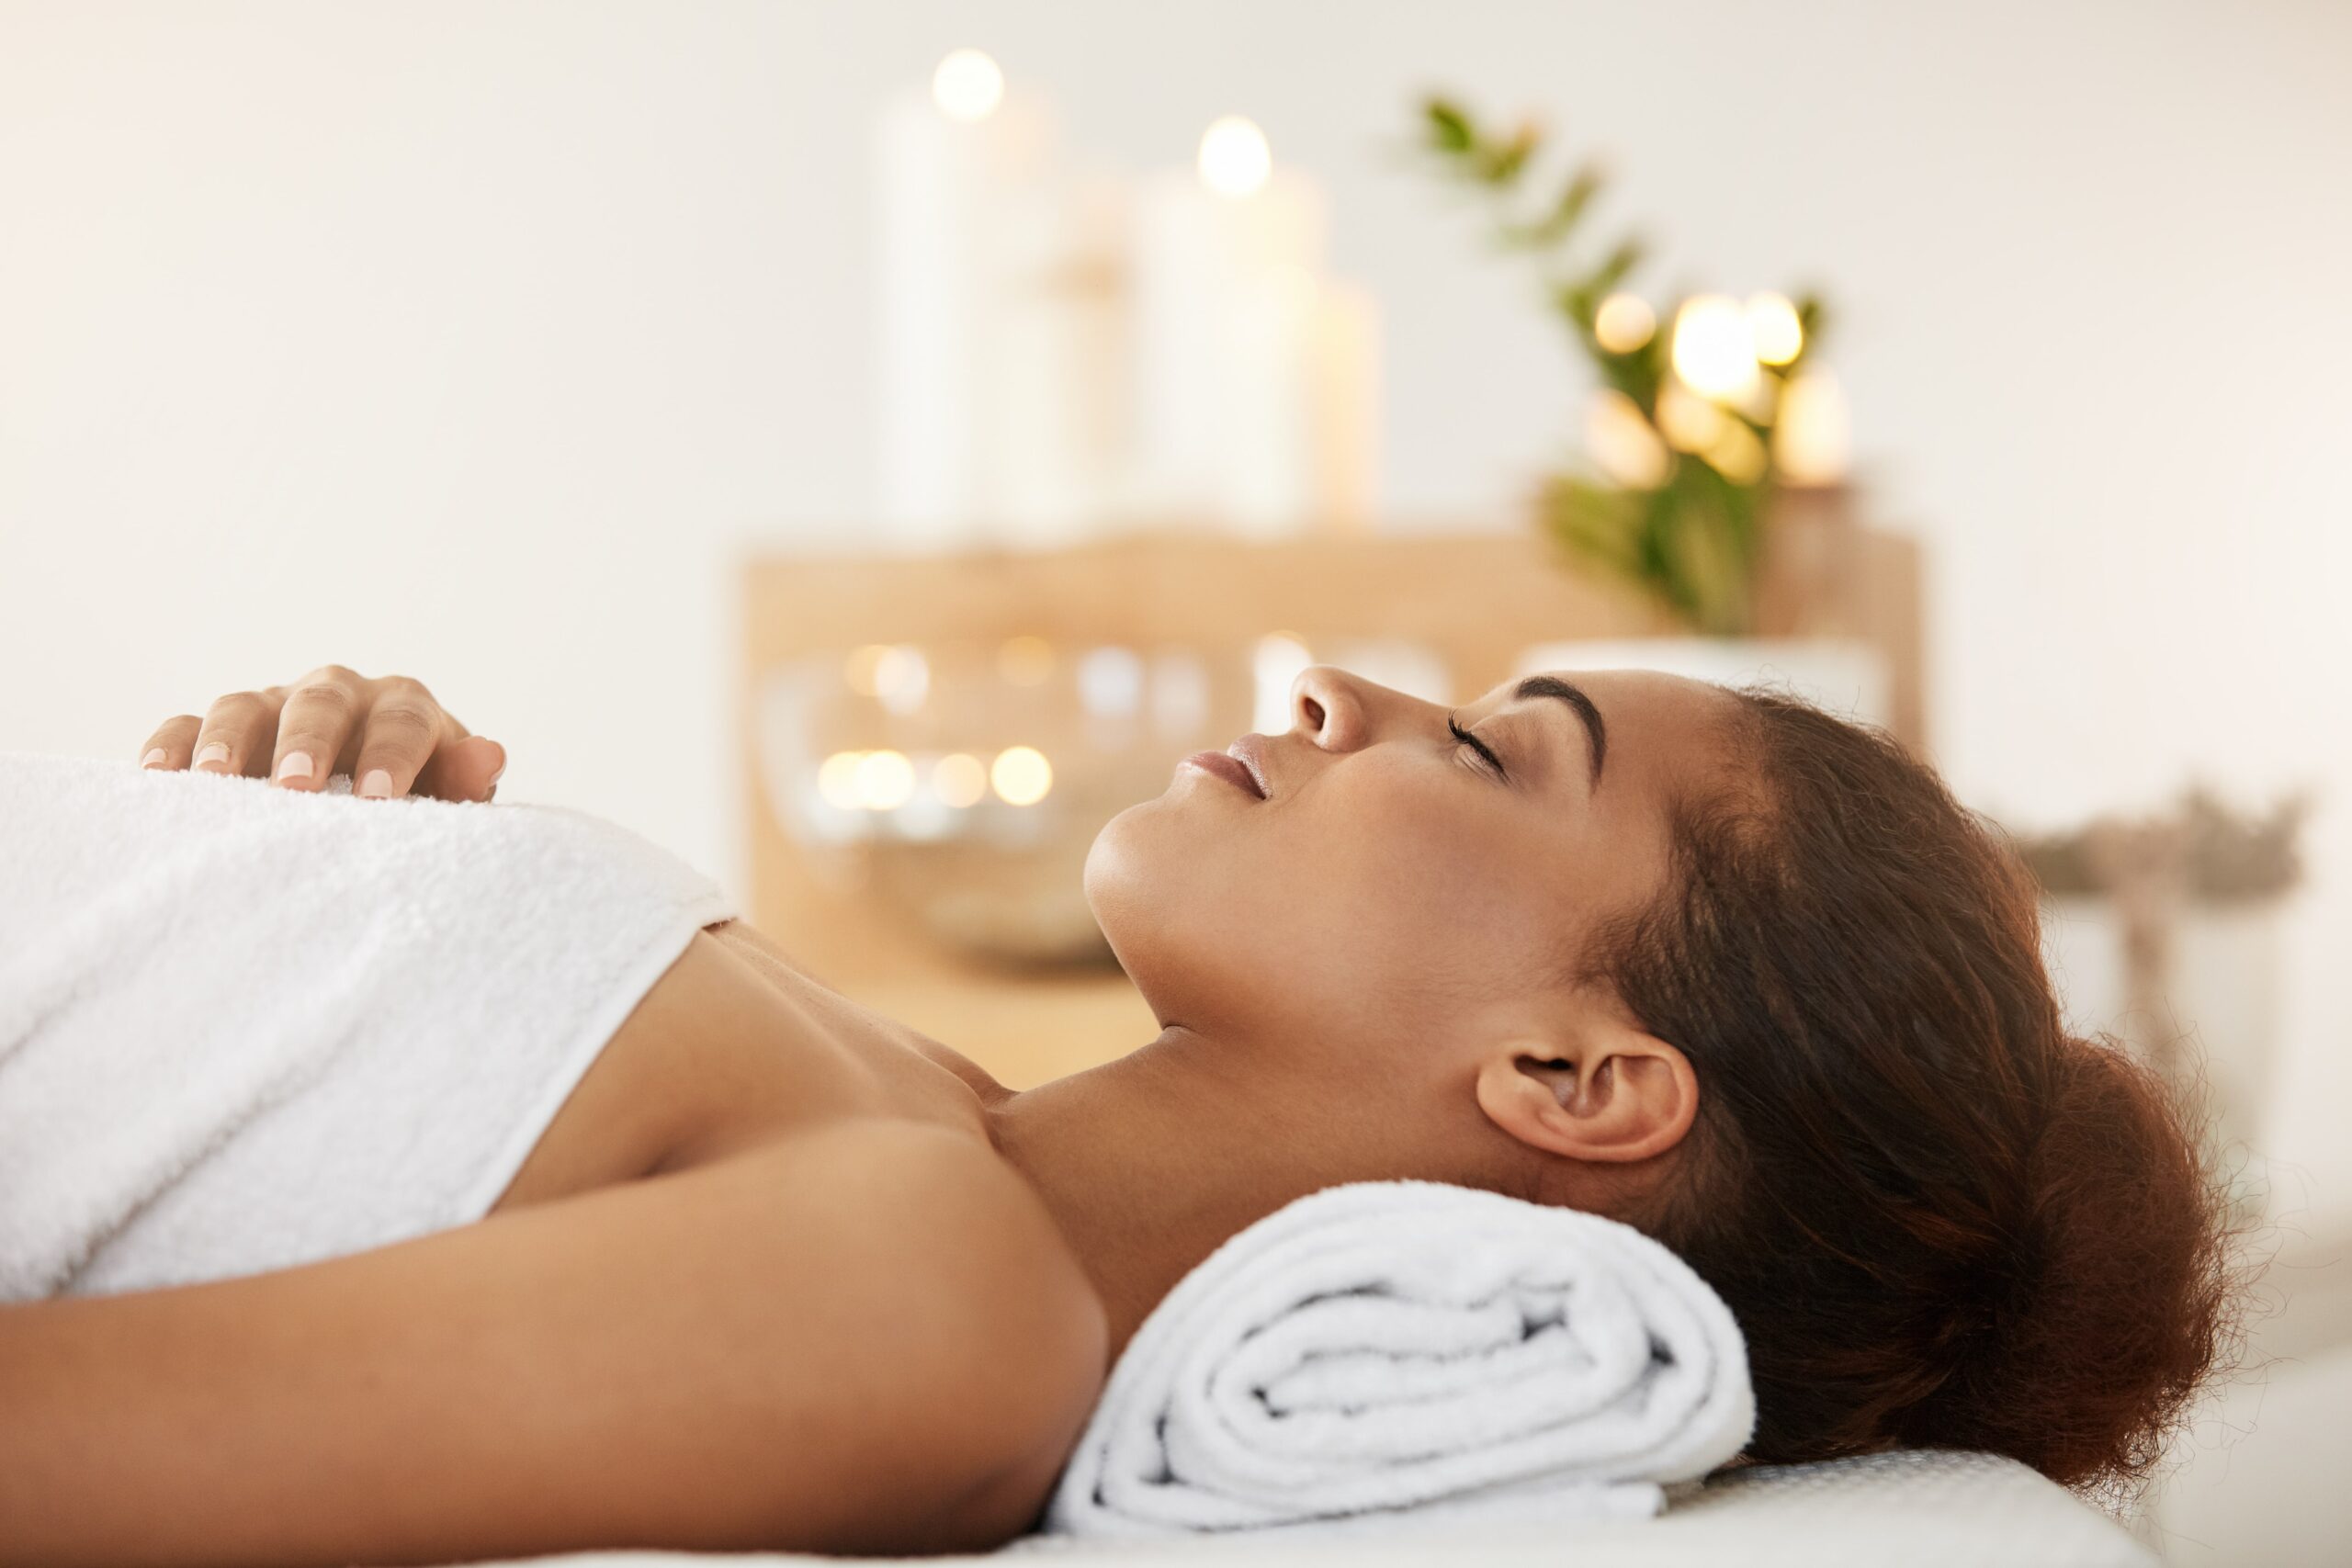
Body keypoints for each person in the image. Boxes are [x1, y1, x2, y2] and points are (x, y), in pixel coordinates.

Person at [0, 661, 2232, 1565]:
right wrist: (325, 827)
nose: (1341, 691)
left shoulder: (935, 1303)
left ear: (1573, 1077)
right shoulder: (907, 1109)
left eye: (1477, 746)